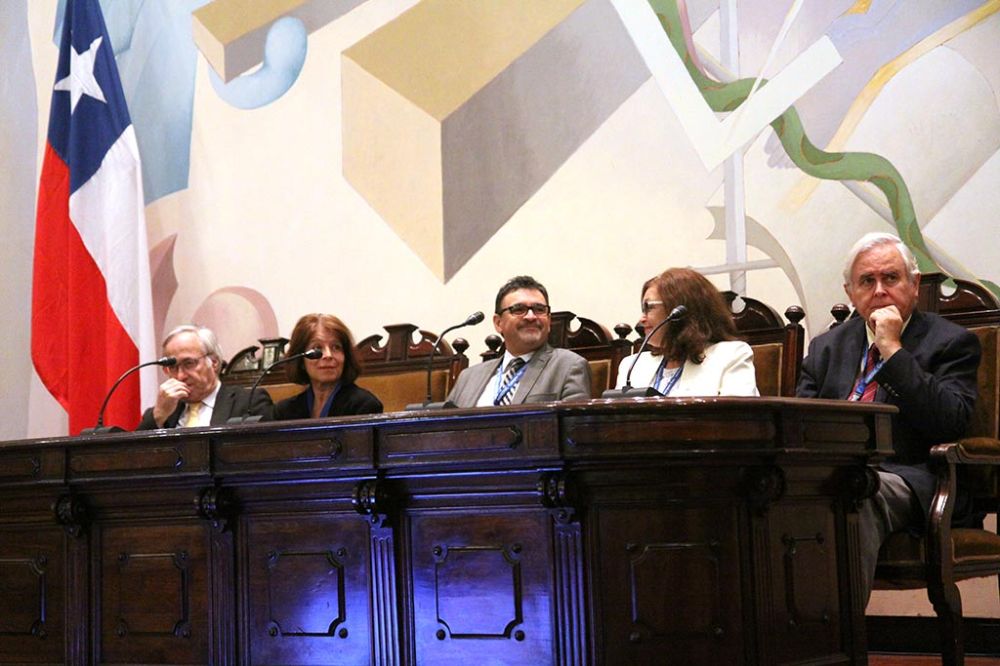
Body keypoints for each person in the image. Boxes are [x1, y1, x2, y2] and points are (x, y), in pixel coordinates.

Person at [796, 232, 981, 601]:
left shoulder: (951, 342)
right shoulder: (825, 348)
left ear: (914, 285)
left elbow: (950, 421)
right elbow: (800, 425)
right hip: (836, 472)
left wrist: (893, 351)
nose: (879, 290)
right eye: (867, 281)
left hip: (913, 476)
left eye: (891, 278)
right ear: (850, 293)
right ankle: (790, 626)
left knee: (858, 490)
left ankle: (837, 631)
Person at [446, 275, 591, 407]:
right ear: (498, 323)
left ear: (549, 320)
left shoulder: (568, 366)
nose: (531, 316)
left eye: (539, 309)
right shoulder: (468, 377)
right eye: (519, 309)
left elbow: (573, 425)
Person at [615, 268, 759, 396]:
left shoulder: (730, 356)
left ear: (680, 310)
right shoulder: (632, 366)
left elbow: (738, 415)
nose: (642, 319)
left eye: (649, 307)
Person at [137, 324, 273, 429]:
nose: (180, 376)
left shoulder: (250, 402)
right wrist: (158, 416)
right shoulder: (163, 412)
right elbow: (136, 454)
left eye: (189, 363)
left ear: (214, 362)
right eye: (173, 367)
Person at [273, 313, 383, 419]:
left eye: (336, 347)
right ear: (301, 361)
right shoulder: (285, 412)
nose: (328, 355)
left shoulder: (363, 406)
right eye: (317, 348)